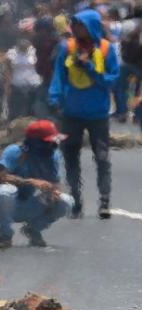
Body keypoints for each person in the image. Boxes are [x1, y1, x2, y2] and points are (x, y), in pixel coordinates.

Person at [49, 9, 119, 219]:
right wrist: (55, 97)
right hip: (72, 112)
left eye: (80, 25)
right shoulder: (67, 48)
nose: (77, 28)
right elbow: (59, 76)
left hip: (98, 112)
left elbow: (112, 80)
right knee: (70, 156)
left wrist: (90, 68)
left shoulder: (107, 50)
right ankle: (76, 199)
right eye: (75, 24)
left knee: (102, 157)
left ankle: (104, 200)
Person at [0, 120, 74, 249]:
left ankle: (33, 229)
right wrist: (30, 181)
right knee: (6, 190)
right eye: (49, 141)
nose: (54, 144)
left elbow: (56, 184)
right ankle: (5, 235)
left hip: (29, 205)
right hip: (0, 206)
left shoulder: (53, 156)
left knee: (66, 201)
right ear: (36, 143)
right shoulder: (14, 151)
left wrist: (52, 191)